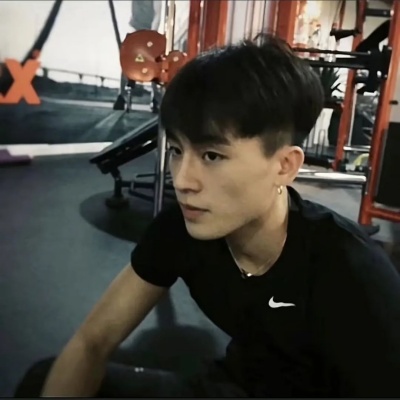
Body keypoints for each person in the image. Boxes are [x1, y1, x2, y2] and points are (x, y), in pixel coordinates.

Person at [15, 34, 400, 398]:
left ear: (284, 166)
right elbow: (92, 342)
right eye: (177, 150)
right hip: (230, 386)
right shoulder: (181, 228)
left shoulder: (351, 271)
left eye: (212, 155)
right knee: (43, 379)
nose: (182, 180)